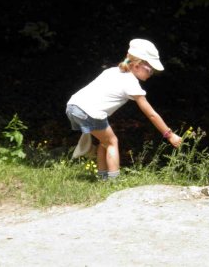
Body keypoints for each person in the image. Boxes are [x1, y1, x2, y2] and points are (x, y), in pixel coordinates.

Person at [66, 38, 182, 180]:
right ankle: (114, 182)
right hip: (88, 112)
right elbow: (151, 114)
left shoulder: (113, 71)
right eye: (150, 69)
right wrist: (169, 135)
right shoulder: (131, 83)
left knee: (105, 142)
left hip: (73, 106)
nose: (151, 73)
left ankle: (103, 178)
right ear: (138, 65)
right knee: (112, 142)